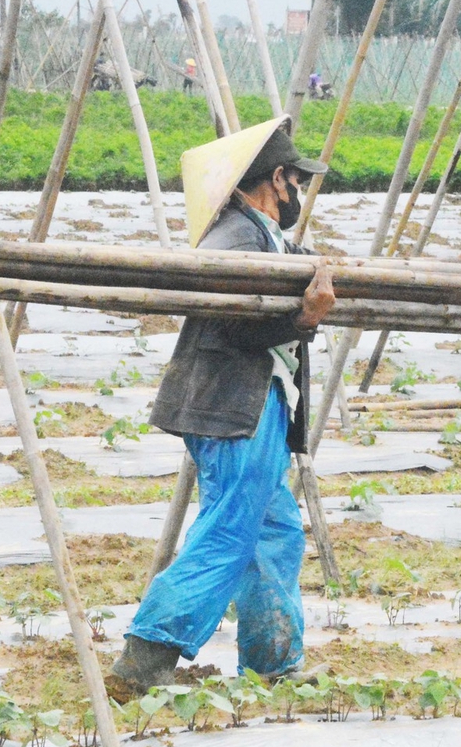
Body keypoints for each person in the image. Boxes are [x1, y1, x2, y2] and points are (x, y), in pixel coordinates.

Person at [111, 118, 335, 694]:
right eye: (295, 182)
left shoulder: (262, 235)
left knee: (273, 530)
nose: (297, 195)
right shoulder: (235, 238)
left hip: (257, 405)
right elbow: (229, 321)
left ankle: (273, 664)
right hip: (236, 409)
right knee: (231, 530)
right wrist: (304, 317)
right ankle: (146, 655)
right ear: (275, 180)